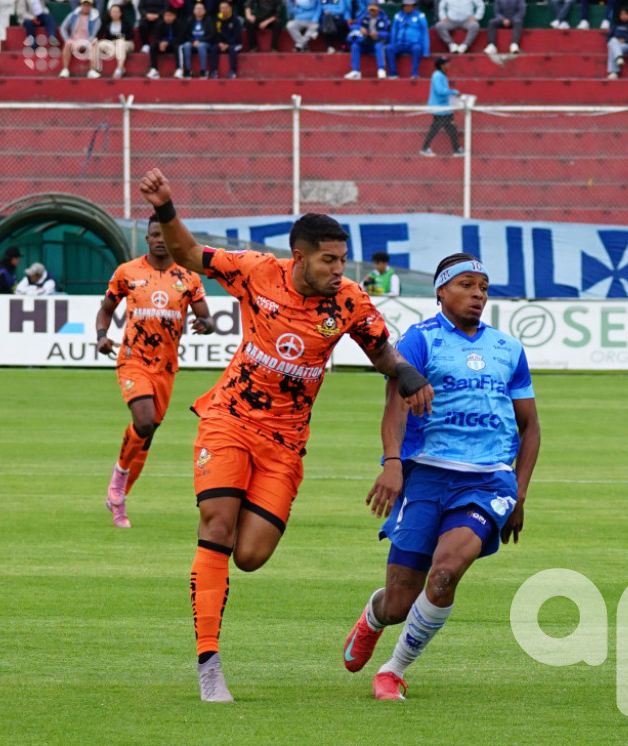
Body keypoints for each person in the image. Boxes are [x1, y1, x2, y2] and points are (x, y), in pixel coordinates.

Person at [138, 167, 434, 703]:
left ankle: (218, 616)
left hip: (285, 445)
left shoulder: (348, 302)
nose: (340, 269)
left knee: (250, 555)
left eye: (343, 259)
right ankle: (209, 666)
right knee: (216, 524)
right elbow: (187, 254)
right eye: (329, 259)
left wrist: (405, 372)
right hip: (228, 419)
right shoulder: (255, 271)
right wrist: (165, 209)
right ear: (299, 257)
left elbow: (382, 353)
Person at [342, 252, 541, 701]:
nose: (478, 295)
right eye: (467, 285)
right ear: (441, 291)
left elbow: (530, 426)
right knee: (398, 603)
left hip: (488, 482)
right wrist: (392, 463)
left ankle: (393, 670)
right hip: (426, 476)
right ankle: (372, 619)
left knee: (447, 571)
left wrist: (519, 495)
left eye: (484, 288)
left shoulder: (509, 349)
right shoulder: (418, 341)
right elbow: (394, 406)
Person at [95, 213, 215, 529]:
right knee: (144, 421)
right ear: (147, 239)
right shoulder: (127, 272)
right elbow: (106, 308)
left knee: (147, 436)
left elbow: (208, 316)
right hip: (133, 360)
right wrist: (101, 336)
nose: (160, 239)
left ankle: (118, 498)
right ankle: (117, 484)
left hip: (166, 367)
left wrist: (206, 324)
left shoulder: (189, 276)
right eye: (154, 235)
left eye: (165, 234)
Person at [420, 56, 463, 157]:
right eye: (446, 63)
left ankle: (456, 149)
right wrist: (454, 92)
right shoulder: (437, 76)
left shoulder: (441, 75)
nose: (448, 65)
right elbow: (440, 91)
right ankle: (425, 148)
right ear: (441, 65)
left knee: (449, 128)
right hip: (439, 108)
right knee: (440, 128)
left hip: (444, 108)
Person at [344, 0, 391, 80]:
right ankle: (356, 71)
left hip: (377, 42)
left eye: (374, 10)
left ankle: (381, 69)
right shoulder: (364, 16)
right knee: (355, 46)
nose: (372, 12)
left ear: (379, 9)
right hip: (366, 42)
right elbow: (352, 26)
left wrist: (378, 33)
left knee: (378, 46)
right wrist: (360, 28)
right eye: (370, 10)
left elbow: (389, 34)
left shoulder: (385, 19)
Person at [386, 0, 430, 79]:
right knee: (389, 48)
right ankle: (393, 73)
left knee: (417, 49)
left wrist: (426, 50)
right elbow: (394, 31)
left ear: (413, 6)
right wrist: (393, 43)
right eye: (405, 5)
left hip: (414, 43)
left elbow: (425, 32)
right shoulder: (398, 16)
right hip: (400, 44)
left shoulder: (420, 16)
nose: (407, 7)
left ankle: (414, 73)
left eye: (409, 5)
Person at [58, 0, 101, 79]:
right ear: (80, 5)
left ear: (91, 7)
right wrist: (67, 39)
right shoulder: (73, 15)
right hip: (74, 41)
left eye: (88, 5)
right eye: (84, 5)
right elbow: (63, 27)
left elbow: (93, 34)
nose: (86, 7)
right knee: (68, 43)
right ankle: (65, 69)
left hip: (87, 42)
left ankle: (92, 70)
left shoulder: (96, 19)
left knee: (94, 42)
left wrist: (84, 44)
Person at [91, 2, 135, 79]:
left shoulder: (125, 22)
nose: (114, 14)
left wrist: (122, 38)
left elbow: (131, 35)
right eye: (113, 12)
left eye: (116, 12)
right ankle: (93, 69)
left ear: (121, 13)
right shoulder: (106, 22)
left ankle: (120, 68)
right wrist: (96, 38)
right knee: (97, 44)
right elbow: (100, 32)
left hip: (126, 43)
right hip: (112, 44)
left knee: (120, 43)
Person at [146, 6, 184, 79]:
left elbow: (180, 38)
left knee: (178, 47)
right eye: (166, 15)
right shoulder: (160, 24)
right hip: (162, 46)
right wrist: (160, 43)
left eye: (170, 15)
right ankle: (154, 69)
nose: (168, 18)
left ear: (174, 16)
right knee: (153, 46)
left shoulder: (179, 24)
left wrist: (168, 43)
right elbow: (157, 38)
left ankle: (179, 69)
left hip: (173, 44)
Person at [181, 2, 216, 78]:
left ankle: (203, 70)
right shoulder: (189, 20)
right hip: (192, 42)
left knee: (201, 46)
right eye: (197, 9)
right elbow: (186, 34)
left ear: (205, 11)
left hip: (205, 42)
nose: (199, 11)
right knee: (186, 45)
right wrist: (192, 41)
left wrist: (200, 41)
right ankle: (188, 70)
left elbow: (212, 35)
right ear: (193, 10)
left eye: (201, 9)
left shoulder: (209, 20)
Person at [210, 1, 243, 78]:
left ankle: (232, 71)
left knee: (232, 49)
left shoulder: (236, 20)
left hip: (234, 43)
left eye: (225, 8)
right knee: (213, 48)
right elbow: (216, 34)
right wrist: (220, 43)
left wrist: (228, 44)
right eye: (221, 8)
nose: (223, 10)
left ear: (230, 9)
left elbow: (237, 36)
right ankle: (214, 71)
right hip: (222, 43)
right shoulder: (217, 20)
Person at [605, 6, 628, 79]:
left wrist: (625, 41)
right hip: (616, 44)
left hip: (627, 45)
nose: (623, 16)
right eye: (622, 14)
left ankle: (613, 72)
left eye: (625, 14)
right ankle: (618, 57)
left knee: (612, 47)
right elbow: (608, 37)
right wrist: (616, 40)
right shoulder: (616, 25)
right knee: (612, 41)